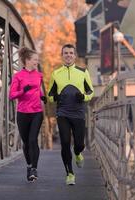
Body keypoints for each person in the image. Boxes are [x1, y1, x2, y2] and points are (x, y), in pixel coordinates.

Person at [47, 44, 94, 185]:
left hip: (78, 113)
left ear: (74, 56)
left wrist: (83, 97)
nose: (68, 55)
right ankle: (70, 174)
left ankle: (78, 154)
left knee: (79, 144)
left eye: (71, 53)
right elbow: (50, 95)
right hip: (63, 113)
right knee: (65, 143)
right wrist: (56, 98)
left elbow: (91, 91)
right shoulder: (56, 74)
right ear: (62, 55)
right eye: (66, 53)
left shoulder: (83, 71)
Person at [8, 47, 47, 182]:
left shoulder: (39, 75)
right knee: (26, 142)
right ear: (27, 60)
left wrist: (43, 97)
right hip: (23, 113)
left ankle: (34, 169)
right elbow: (11, 95)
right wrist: (23, 91)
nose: (37, 61)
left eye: (37, 59)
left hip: (37, 112)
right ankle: (29, 165)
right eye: (35, 59)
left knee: (32, 140)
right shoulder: (18, 76)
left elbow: (38, 90)